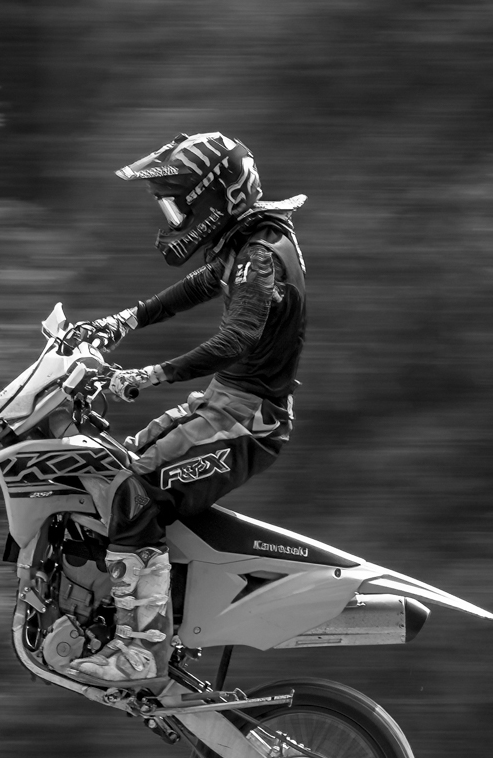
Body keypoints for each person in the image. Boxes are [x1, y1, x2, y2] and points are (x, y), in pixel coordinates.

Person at [58, 131, 308, 685]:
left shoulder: (260, 256)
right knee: (117, 469)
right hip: (227, 405)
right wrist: (122, 321)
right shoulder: (248, 244)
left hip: (247, 421)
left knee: (136, 491)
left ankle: (141, 651)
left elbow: (237, 339)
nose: (172, 218)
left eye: (176, 204)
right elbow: (195, 287)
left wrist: (148, 376)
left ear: (214, 196)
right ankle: (129, 616)